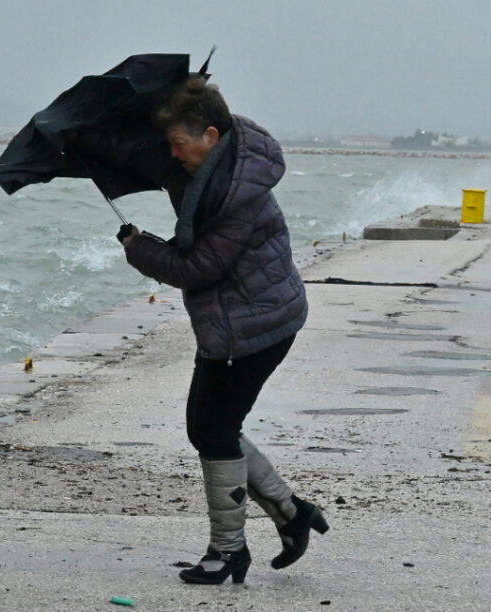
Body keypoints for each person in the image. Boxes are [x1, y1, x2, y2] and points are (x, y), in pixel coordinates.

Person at [117, 77, 329, 585]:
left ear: (210, 136)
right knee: (211, 426)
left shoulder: (238, 191)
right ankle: (291, 514)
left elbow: (199, 267)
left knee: (211, 429)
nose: (174, 153)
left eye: (179, 144)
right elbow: (197, 234)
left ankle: (230, 549)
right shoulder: (218, 168)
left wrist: (139, 248)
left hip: (254, 326)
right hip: (243, 319)